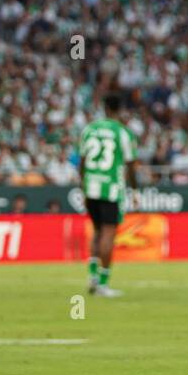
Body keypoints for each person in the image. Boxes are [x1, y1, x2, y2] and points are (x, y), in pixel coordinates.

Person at [78, 92, 139, 298]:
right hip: (110, 189)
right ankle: (103, 284)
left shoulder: (89, 129)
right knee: (108, 234)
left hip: (90, 187)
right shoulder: (123, 133)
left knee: (96, 231)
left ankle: (92, 276)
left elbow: (83, 162)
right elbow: (131, 166)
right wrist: (135, 190)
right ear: (119, 110)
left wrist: (84, 186)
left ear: (104, 108)